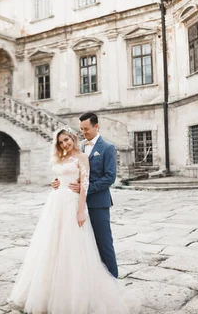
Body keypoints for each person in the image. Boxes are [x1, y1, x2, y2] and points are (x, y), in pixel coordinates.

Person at [9, 126, 133, 314]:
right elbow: (59, 177)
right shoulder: (61, 157)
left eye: (67, 140)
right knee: (52, 245)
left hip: (72, 204)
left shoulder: (82, 157)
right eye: (61, 142)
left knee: (73, 246)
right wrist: (54, 182)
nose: (65, 143)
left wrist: (81, 211)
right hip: (55, 204)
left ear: (73, 138)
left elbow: (84, 186)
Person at [51, 112, 118, 278]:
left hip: (97, 202)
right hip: (72, 203)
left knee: (104, 243)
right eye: (81, 129)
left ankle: (112, 281)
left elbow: (110, 177)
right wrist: (59, 182)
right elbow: (70, 171)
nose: (83, 133)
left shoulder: (107, 148)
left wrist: (85, 188)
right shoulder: (78, 148)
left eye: (86, 129)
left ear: (96, 126)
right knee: (83, 245)